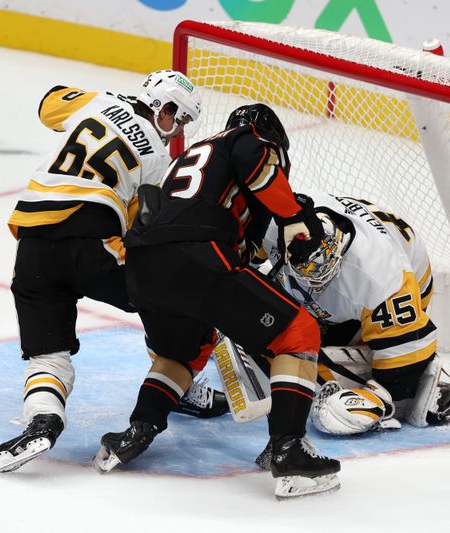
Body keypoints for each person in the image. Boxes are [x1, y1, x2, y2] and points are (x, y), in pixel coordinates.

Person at [92, 103, 342, 500]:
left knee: (183, 352)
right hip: (196, 253)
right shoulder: (245, 139)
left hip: (143, 263)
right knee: (298, 331)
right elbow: (254, 162)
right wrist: (294, 214)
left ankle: (138, 429)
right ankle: (290, 451)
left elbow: (243, 248)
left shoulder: (189, 162)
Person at [0, 70, 225, 474]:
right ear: (161, 108)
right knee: (168, 297)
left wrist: (102, 102)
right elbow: (142, 227)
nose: (177, 129)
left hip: (32, 247)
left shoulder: (97, 103)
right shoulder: (158, 162)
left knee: (48, 352)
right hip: (90, 240)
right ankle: (176, 378)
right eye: (178, 117)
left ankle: (44, 419)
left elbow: (49, 104)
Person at [255, 189, 450, 439]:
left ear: (335, 242)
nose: (317, 273)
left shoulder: (381, 275)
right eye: (308, 268)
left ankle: (413, 382)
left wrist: (380, 396)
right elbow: (244, 253)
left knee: (311, 368)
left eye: (322, 262)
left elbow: (410, 342)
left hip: (408, 288)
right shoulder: (279, 224)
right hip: (344, 280)